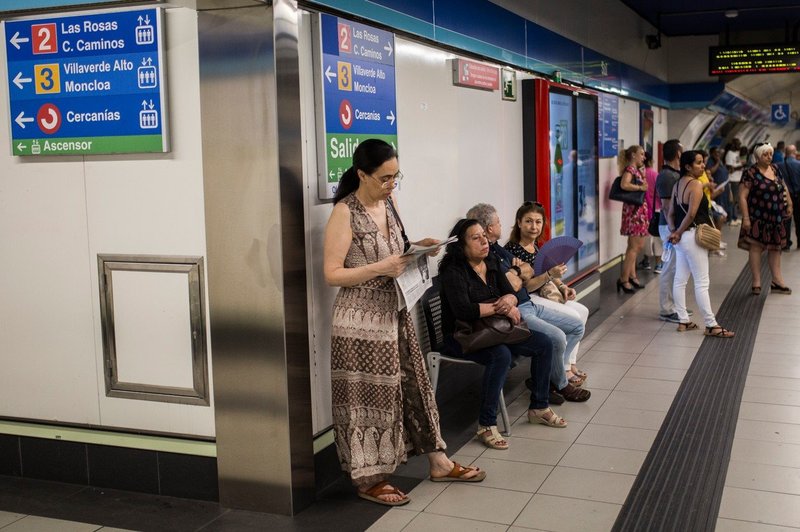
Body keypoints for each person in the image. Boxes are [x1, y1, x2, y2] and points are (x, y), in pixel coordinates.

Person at [323, 139, 484, 507]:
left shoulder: (390, 204)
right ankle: (370, 478)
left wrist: (420, 249)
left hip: (396, 311)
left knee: (414, 384)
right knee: (371, 398)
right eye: (384, 178)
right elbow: (332, 274)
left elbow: (397, 253)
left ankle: (438, 460)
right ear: (361, 174)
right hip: (360, 322)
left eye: (396, 176)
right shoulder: (344, 213)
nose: (391, 184)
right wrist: (381, 267)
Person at [439, 218, 566, 447]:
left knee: (544, 343)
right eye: (475, 238)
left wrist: (508, 300)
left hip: (494, 329)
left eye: (483, 237)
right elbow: (464, 310)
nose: (483, 242)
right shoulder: (453, 271)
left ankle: (539, 406)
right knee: (501, 355)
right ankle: (486, 424)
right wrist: (503, 307)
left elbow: (512, 293)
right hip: (464, 336)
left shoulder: (491, 261)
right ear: (461, 245)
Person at [467, 203, 590, 403]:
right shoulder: (491, 254)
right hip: (520, 307)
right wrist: (520, 272)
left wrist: (521, 272)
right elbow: (517, 282)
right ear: (489, 228)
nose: (501, 225)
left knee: (576, 325)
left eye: (538, 222)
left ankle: (558, 371)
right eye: (498, 221)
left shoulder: (498, 248)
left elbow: (527, 271)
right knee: (557, 337)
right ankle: (561, 383)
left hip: (529, 303)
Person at [504, 201, 591, 388]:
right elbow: (524, 287)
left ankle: (568, 363)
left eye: (538, 222)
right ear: (519, 223)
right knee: (574, 317)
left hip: (545, 294)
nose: (534, 226)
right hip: (530, 299)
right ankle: (563, 370)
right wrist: (550, 275)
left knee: (582, 311)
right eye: (528, 221)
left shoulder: (537, 247)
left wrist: (563, 287)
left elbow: (550, 272)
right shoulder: (512, 251)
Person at [667, 151, 735, 338]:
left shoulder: (677, 185)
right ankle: (711, 324)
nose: (703, 166)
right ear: (688, 166)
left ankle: (683, 320)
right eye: (698, 163)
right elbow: (691, 214)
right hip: (693, 236)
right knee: (702, 282)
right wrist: (679, 232)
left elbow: (670, 212)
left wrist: (674, 232)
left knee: (680, 280)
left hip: (682, 239)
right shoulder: (695, 185)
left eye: (703, 162)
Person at [737, 142, 794, 295]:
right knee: (756, 247)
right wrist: (746, 218)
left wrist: (789, 203)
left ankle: (777, 280)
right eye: (765, 154)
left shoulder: (775, 169)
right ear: (757, 156)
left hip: (776, 217)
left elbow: (784, 186)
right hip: (757, 217)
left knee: (776, 248)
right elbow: (742, 197)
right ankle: (756, 281)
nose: (769, 157)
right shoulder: (750, 172)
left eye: (770, 153)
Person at [655, 139, 685, 323]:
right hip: (668, 226)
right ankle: (666, 309)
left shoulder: (673, 174)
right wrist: (674, 230)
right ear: (678, 154)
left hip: (672, 226)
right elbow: (666, 206)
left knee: (676, 268)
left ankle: (674, 305)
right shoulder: (667, 176)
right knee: (670, 267)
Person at [617, 145, 650, 293]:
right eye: (641, 154)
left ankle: (632, 275)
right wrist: (640, 188)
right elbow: (624, 184)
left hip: (639, 213)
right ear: (633, 156)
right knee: (633, 247)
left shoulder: (637, 170)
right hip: (634, 214)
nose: (644, 157)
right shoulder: (630, 169)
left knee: (637, 246)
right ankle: (624, 279)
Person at [639, 151, 662, 271]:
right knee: (657, 237)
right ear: (651, 160)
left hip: (643, 209)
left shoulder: (640, 174)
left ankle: (646, 260)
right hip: (656, 209)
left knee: (646, 236)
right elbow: (660, 192)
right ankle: (658, 264)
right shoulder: (655, 174)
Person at [783, 145, 800, 249]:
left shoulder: (780, 165)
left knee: (786, 221)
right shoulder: (799, 164)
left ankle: (786, 244)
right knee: (799, 220)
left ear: (785, 153)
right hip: (799, 196)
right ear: (795, 152)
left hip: (786, 197)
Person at [725, 139, 744, 225]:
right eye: (738, 144)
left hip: (738, 179)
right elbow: (729, 168)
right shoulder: (729, 154)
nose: (739, 146)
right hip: (733, 180)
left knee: (736, 200)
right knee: (732, 200)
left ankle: (735, 217)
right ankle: (731, 218)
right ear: (734, 144)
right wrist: (739, 167)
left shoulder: (736, 153)